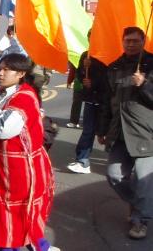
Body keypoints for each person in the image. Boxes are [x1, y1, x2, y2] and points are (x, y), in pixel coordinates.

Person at [0, 53, 56, 251]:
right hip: (9, 167)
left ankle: (28, 247)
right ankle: (41, 247)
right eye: (0, 68)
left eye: (6, 69)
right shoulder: (7, 92)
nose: (1, 73)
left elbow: (1, 129)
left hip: (23, 170)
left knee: (15, 213)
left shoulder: (23, 97)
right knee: (21, 213)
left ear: (21, 73)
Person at [97, 26, 153, 240]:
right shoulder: (113, 68)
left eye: (135, 41)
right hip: (119, 132)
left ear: (143, 40)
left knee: (143, 180)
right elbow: (106, 103)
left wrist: (144, 84)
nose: (130, 44)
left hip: (146, 133)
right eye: (127, 40)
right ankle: (141, 203)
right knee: (114, 175)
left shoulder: (151, 64)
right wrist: (102, 130)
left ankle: (140, 220)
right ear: (122, 42)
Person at [67, 44, 105, 174]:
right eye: (91, 38)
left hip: (108, 102)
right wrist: (84, 69)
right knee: (88, 131)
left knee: (109, 134)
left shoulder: (110, 53)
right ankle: (82, 161)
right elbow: (79, 74)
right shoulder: (86, 54)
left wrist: (94, 83)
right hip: (91, 100)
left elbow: (111, 76)